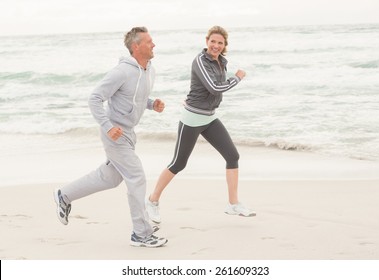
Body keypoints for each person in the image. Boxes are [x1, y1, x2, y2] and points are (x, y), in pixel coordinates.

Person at [53, 27, 168, 248]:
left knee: (109, 178)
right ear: (136, 47)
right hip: (114, 135)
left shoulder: (149, 70)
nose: (154, 44)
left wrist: (153, 104)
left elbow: (135, 98)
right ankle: (141, 234)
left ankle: (64, 196)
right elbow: (95, 98)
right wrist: (107, 126)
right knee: (137, 177)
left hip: (129, 134)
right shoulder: (122, 71)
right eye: (149, 41)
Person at [146, 26, 256, 224]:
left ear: (224, 46)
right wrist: (237, 78)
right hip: (192, 119)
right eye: (213, 41)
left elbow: (211, 89)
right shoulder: (199, 61)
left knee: (232, 156)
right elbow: (214, 88)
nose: (216, 45)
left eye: (220, 43)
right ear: (207, 42)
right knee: (178, 163)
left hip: (209, 117)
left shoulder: (221, 61)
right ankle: (152, 201)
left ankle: (233, 204)